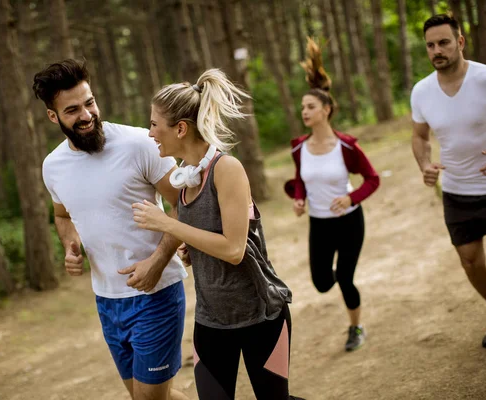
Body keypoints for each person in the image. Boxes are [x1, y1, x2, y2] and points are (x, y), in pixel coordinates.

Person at [131, 69, 304, 400]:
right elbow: (209, 239)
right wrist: (193, 251)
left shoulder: (227, 169)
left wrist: (168, 224)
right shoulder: (184, 179)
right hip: (211, 321)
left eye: (155, 124)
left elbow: (235, 249)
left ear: (180, 128)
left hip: (262, 315)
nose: (150, 132)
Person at [33, 59, 189, 400]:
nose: (86, 115)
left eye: (89, 103)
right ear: (53, 116)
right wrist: (69, 245)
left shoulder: (140, 144)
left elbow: (183, 204)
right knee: (143, 396)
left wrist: (159, 260)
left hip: (156, 293)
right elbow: (62, 216)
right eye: (72, 110)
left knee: (148, 398)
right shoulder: (53, 166)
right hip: (106, 300)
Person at [411, 14, 486, 349]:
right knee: (470, 262)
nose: (437, 50)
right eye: (431, 45)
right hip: (456, 193)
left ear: (460, 42)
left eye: (444, 42)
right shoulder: (421, 91)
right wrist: (424, 164)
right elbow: (420, 136)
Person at [284, 38, 380, 352]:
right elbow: (300, 179)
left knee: (347, 279)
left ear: (326, 110)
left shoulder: (348, 146)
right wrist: (299, 197)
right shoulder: (299, 147)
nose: (304, 112)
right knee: (323, 282)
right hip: (320, 224)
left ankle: (356, 328)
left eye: (310, 107)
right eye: (302, 108)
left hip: (350, 221)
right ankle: (343, 277)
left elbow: (372, 179)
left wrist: (352, 199)